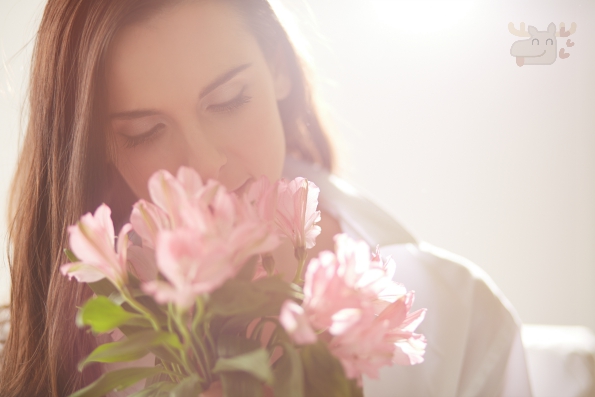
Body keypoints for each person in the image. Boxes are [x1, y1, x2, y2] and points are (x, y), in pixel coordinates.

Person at [0, 0, 532, 396]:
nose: (206, 163)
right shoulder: (49, 349)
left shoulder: (456, 311)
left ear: (277, 67)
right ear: (98, 148)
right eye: (144, 131)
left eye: (230, 101)